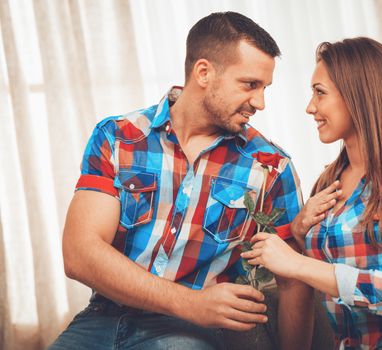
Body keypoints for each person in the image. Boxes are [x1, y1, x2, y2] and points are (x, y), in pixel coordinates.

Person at [50, 12, 315, 350]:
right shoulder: (119, 137)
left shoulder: (271, 167)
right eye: (250, 84)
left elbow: (293, 279)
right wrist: (192, 302)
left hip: (187, 333)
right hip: (100, 319)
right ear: (203, 72)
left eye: (265, 88)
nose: (260, 102)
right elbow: (79, 253)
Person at [241, 37, 382, 349]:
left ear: (358, 96)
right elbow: (307, 285)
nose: (310, 108)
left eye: (319, 93)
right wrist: (297, 233)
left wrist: (298, 264)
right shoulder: (327, 184)